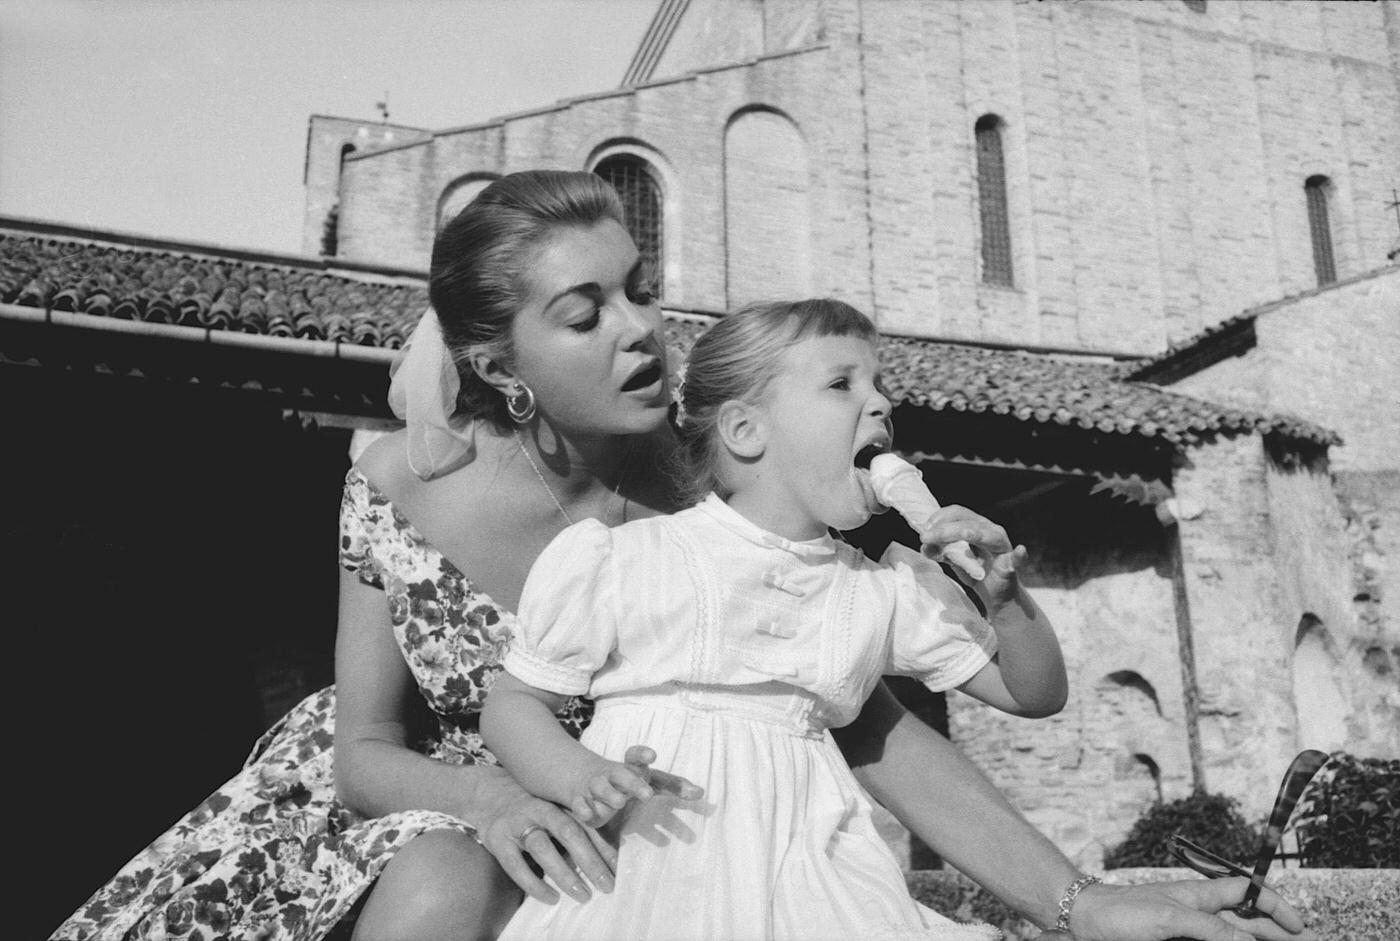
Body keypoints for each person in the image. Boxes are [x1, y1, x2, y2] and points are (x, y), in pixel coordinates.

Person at [52, 170, 1317, 941]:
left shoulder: (701, 491)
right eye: (585, 311)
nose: (645, 331)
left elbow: (861, 716)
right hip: (418, 805)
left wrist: (1075, 898)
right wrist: (501, 798)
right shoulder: (393, 481)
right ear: (499, 365)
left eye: (639, 288)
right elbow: (363, 745)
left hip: (646, 827)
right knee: (440, 879)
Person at [480, 297, 1069, 940]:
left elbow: (1031, 693)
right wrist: (575, 775)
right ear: (745, 432)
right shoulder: (627, 559)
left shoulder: (879, 588)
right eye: (842, 385)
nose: (881, 405)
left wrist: (1006, 605)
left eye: (880, 387)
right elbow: (513, 705)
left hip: (813, 872)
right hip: (651, 862)